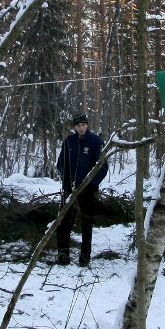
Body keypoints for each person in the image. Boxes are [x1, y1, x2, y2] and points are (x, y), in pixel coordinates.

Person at [55, 113, 107, 266]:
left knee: (87, 223)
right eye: (78, 125)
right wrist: (66, 181)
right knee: (64, 221)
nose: (81, 128)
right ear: (74, 127)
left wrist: (92, 184)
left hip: (88, 189)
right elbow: (60, 164)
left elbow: (103, 166)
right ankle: (63, 254)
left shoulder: (96, 141)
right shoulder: (69, 142)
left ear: (87, 125)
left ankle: (85, 257)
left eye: (83, 125)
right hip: (69, 189)